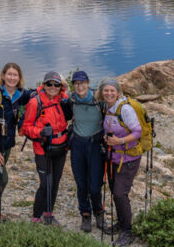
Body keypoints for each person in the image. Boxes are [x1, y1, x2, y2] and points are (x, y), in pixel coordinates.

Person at [20, 69, 70, 226]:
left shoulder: (63, 99)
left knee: (55, 182)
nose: (53, 87)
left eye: (56, 84)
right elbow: (25, 127)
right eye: (49, 84)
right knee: (45, 183)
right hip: (43, 149)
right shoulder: (35, 103)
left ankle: (49, 214)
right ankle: (36, 216)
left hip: (61, 147)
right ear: (44, 84)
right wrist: (40, 132)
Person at [0, 62, 29, 223]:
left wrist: (61, 86)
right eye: (9, 74)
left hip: (7, 144)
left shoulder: (19, 95)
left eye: (15, 75)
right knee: (2, 179)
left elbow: (38, 94)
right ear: (3, 75)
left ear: (19, 78)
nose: (12, 78)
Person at [101, 76, 143, 245]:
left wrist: (120, 141)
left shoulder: (125, 109)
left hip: (129, 158)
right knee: (115, 192)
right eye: (106, 90)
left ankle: (127, 231)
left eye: (112, 90)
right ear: (102, 92)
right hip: (114, 157)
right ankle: (121, 222)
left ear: (118, 92)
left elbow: (137, 132)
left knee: (120, 193)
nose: (109, 93)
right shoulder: (107, 107)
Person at [67, 69, 107, 233]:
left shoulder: (99, 100)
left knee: (95, 185)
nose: (79, 86)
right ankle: (85, 214)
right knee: (81, 183)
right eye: (76, 83)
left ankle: (98, 212)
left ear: (88, 83)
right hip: (77, 144)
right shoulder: (71, 99)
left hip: (95, 145)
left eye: (82, 83)